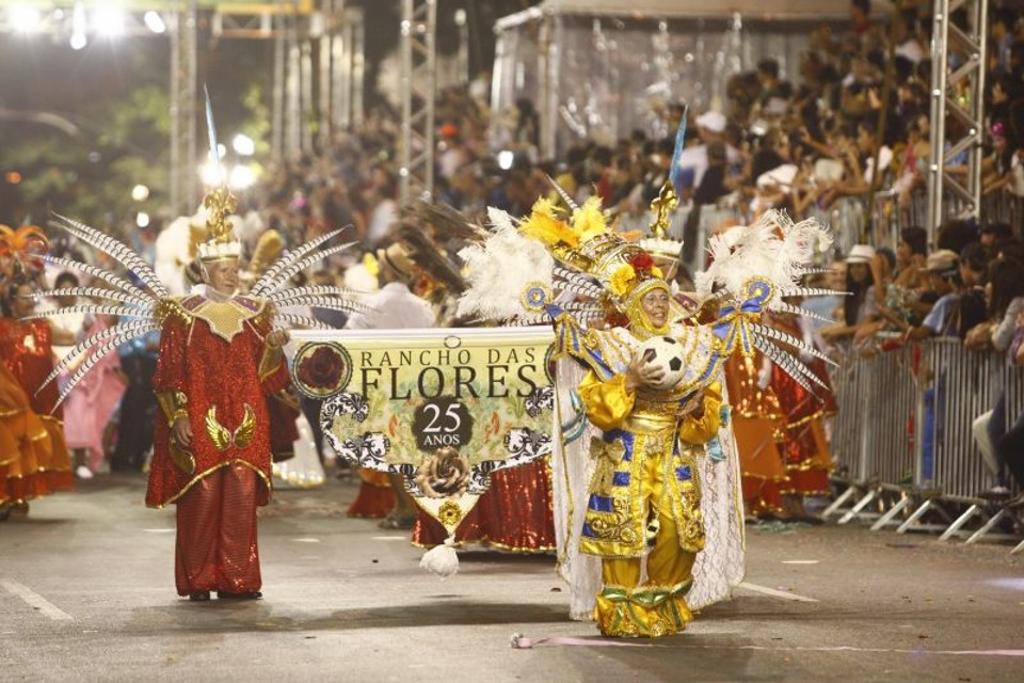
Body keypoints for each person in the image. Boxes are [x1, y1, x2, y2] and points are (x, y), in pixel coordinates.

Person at [145, 191, 297, 601]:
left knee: (242, 493)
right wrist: (178, 416)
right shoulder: (183, 314)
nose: (233, 276)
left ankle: (238, 578)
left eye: (236, 268)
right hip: (200, 414)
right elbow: (169, 373)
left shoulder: (255, 311)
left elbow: (267, 374)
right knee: (204, 494)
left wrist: (273, 345)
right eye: (226, 269)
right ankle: (199, 579)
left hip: (246, 414)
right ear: (208, 270)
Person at [345, 243, 437, 527]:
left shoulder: (371, 304)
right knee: (414, 447)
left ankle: (405, 507)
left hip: (381, 385)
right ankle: (408, 506)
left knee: (389, 448)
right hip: (418, 384)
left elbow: (349, 337)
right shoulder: (422, 307)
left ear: (386, 270)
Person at [0, 277, 74, 514]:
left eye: (32, 295)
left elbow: (70, 338)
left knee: (30, 446)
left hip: (40, 395)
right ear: (11, 301)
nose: (30, 301)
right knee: (11, 444)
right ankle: (7, 494)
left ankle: (21, 495)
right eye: (24, 296)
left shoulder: (43, 326)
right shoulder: (2, 326)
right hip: (11, 398)